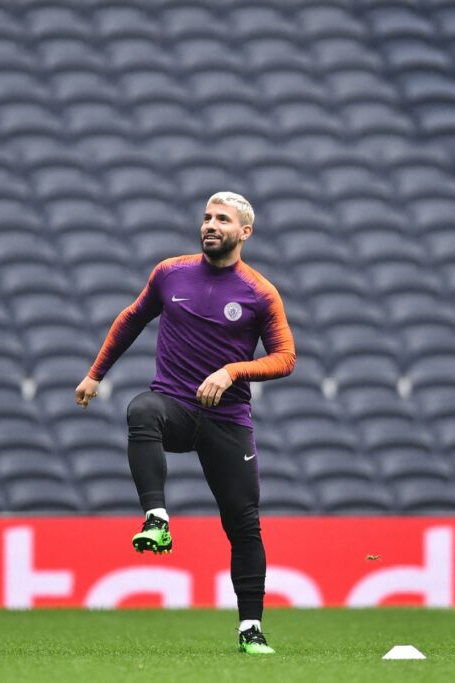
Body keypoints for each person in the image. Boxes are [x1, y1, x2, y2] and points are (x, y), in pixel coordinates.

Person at [74, 191, 295, 654]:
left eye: (222, 219)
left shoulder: (259, 293)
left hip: (227, 420)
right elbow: (131, 319)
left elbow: (285, 358)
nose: (210, 224)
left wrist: (233, 369)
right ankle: (156, 518)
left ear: (244, 233)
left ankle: (250, 629)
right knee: (141, 409)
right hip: (175, 407)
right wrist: (95, 375)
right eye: (207, 217)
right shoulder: (170, 273)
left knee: (244, 524)